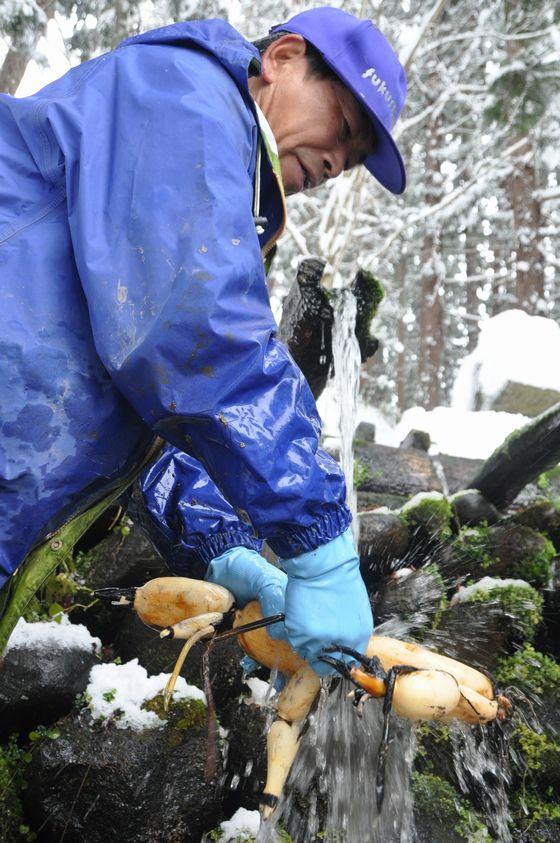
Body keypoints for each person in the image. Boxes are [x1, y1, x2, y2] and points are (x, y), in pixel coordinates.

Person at [0, 7, 407, 672]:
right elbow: (198, 333)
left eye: (354, 157)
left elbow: (137, 390)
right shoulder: (183, 95)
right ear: (281, 59)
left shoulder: (196, 148)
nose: (338, 160)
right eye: (345, 123)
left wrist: (218, 540)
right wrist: (321, 537)